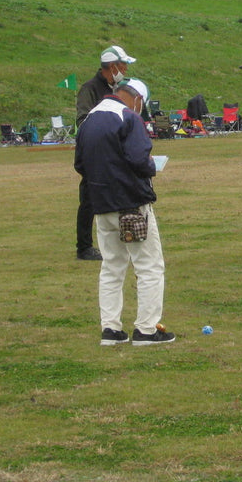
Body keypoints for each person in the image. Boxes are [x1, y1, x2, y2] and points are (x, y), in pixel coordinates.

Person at [74, 78, 175, 346]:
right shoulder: (129, 118)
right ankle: (147, 329)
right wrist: (152, 166)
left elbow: (80, 163)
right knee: (149, 266)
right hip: (130, 203)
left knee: (112, 266)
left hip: (101, 204)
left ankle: (110, 329)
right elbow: (139, 160)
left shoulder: (89, 120)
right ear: (137, 99)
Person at [74, 45, 136, 261]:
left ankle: (125, 237)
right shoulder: (89, 89)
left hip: (116, 151)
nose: (126, 70)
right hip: (95, 152)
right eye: (123, 65)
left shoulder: (119, 89)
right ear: (112, 67)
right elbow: (83, 121)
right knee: (89, 199)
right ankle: (84, 247)